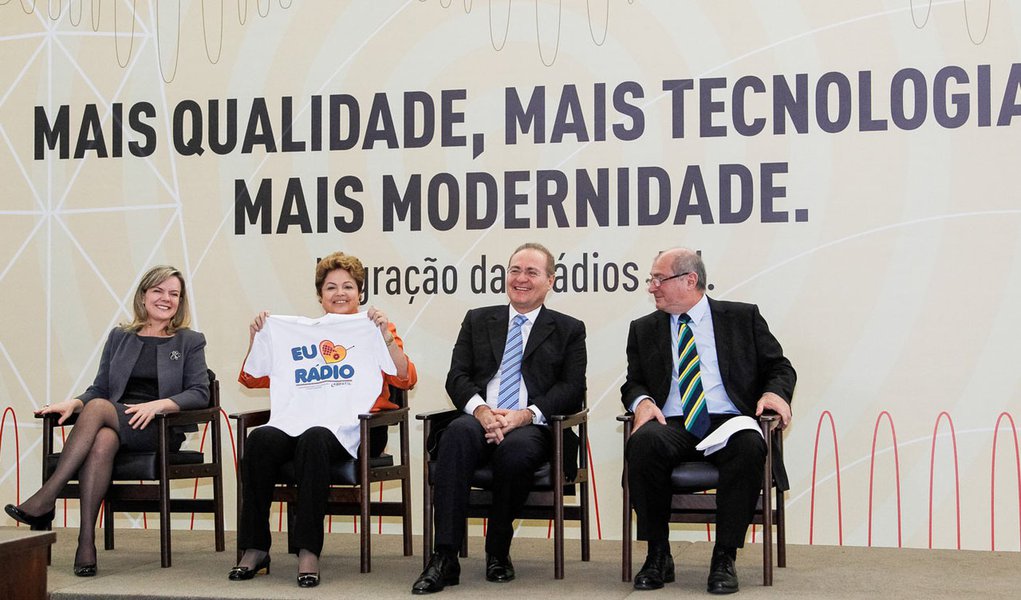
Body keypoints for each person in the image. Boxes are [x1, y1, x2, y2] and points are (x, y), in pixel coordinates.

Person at [4, 265, 209, 577]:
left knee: (100, 409)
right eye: (158, 290)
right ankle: (86, 542)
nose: (166, 298)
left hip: (158, 427)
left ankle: (48, 495)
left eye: (174, 294)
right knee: (102, 439)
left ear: (180, 302)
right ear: (143, 296)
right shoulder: (120, 337)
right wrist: (73, 403)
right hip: (115, 421)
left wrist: (157, 406)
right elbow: (99, 388)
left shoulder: (189, 341)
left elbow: (199, 393)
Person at [230, 251, 417, 588]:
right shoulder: (301, 332)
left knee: (314, 437)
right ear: (320, 295)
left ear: (360, 292)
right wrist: (258, 335)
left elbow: (405, 378)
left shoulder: (374, 328)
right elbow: (252, 378)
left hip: (359, 427)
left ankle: (308, 550)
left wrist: (384, 335)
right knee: (260, 439)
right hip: (300, 423)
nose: (340, 293)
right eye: (331, 287)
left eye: (348, 286)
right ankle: (255, 546)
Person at [412, 242, 587, 594]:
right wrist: (481, 410)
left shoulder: (569, 329)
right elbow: (456, 376)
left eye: (532, 272)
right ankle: (444, 556)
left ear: (550, 280)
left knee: (516, 451)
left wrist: (525, 415)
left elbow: (571, 388)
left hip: (533, 425)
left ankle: (497, 551)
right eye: (515, 270)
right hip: (481, 417)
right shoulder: (478, 319)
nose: (521, 279)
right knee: (456, 435)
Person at [622, 248, 795, 595]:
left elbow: (779, 367)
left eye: (659, 279)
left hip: (729, 419)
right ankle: (658, 553)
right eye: (651, 279)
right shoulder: (643, 328)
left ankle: (724, 556)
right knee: (643, 442)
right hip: (673, 420)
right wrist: (641, 402)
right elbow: (634, 381)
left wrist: (775, 394)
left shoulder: (741, 317)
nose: (651, 287)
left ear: (690, 280)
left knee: (749, 445)